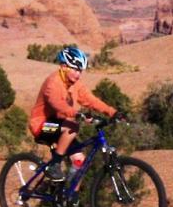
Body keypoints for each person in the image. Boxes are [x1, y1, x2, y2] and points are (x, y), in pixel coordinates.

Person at [27, 46, 121, 182]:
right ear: (64, 66)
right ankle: (55, 165)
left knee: (79, 162)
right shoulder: (52, 83)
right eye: (76, 69)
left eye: (80, 71)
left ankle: (71, 197)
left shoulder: (75, 84)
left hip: (60, 126)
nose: (78, 74)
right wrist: (76, 113)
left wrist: (113, 112)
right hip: (42, 126)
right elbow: (57, 104)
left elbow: (90, 100)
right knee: (73, 127)